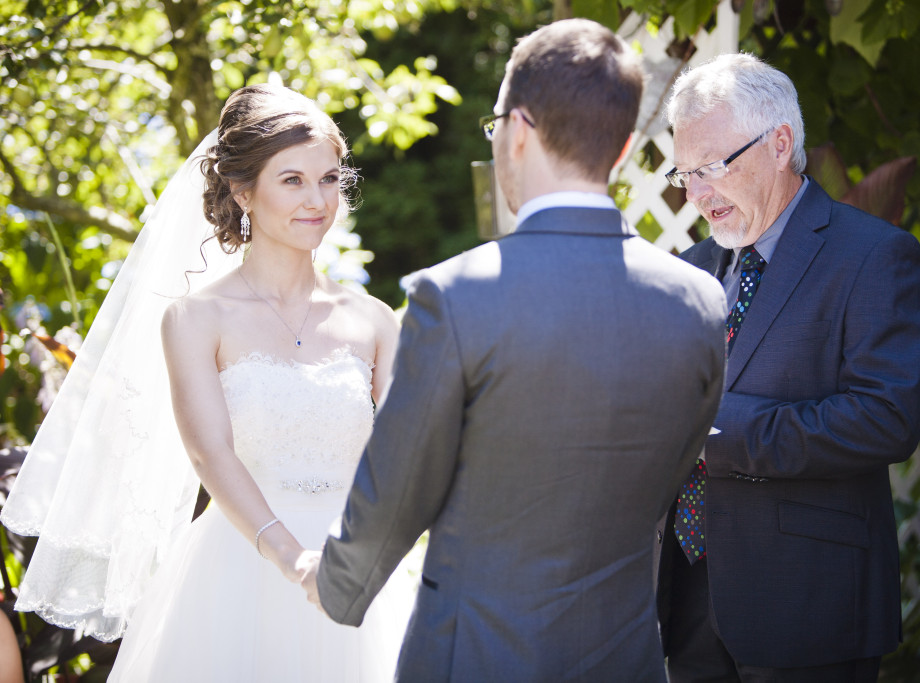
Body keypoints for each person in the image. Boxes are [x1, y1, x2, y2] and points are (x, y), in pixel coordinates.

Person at [301, 18, 728, 682]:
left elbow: (399, 488)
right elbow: (671, 474)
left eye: (495, 123)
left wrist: (335, 583)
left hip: (476, 656)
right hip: (624, 656)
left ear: (519, 130)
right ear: (619, 152)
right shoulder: (700, 302)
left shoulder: (457, 297)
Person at [1, 84, 413, 682]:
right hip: (242, 567)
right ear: (243, 191)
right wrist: (294, 561)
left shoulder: (373, 319)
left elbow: (402, 453)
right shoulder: (196, 318)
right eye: (292, 180)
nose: (317, 200)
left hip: (359, 568)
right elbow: (210, 452)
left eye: (329, 179)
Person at [655, 53, 920, 682]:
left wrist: (711, 432)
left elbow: (887, 418)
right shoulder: (692, 267)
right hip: (690, 601)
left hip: (809, 608)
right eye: (684, 172)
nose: (695, 193)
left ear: (779, 144)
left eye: (711, 168)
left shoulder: (875, 256)